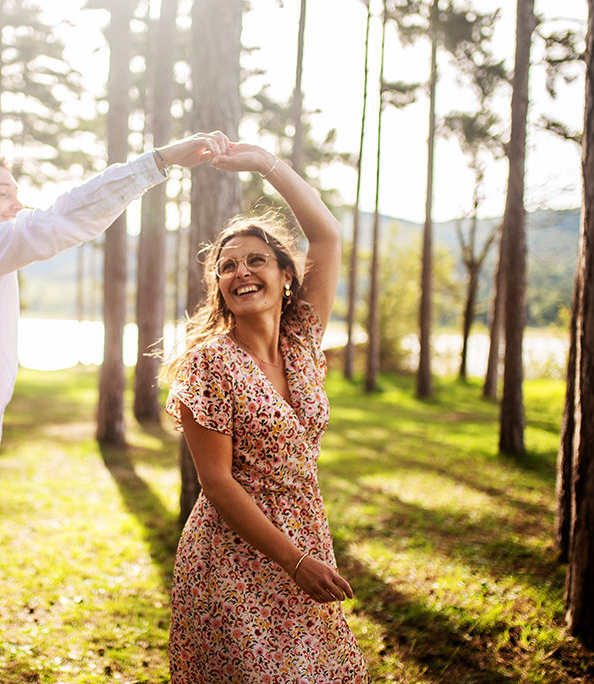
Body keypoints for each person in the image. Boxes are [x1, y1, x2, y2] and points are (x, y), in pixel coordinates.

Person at [0, 131, 227, 683]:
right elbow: (64, 219)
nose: (17, 202)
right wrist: (160, 161)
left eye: (16, 191)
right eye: (3, 192)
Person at [164, 141, 370, 681]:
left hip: (307, 535)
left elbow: (326, 234)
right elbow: (217, 483)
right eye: (227, 266)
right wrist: (295, 563)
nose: (241, 272)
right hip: (232, 556)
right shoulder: (208, 364)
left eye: (257, 260)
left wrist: (264, 164)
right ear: (219, 289)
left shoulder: (303, 339)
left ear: (286, 276)